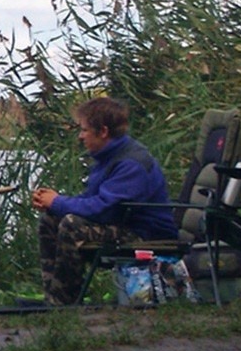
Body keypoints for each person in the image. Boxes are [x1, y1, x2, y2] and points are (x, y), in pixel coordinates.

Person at [31, 97, 177, 305]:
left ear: (103, 131)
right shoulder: (108, 157)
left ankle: (64, 301)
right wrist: (53, 203)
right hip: (122, 224)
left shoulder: (131, 163)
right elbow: (93, 200)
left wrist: (57, 202)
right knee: (50, 219)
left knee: (71, 225)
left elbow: (103, 209)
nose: (80, 136)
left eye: (84, 130)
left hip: (143, 234)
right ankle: (53, 297)